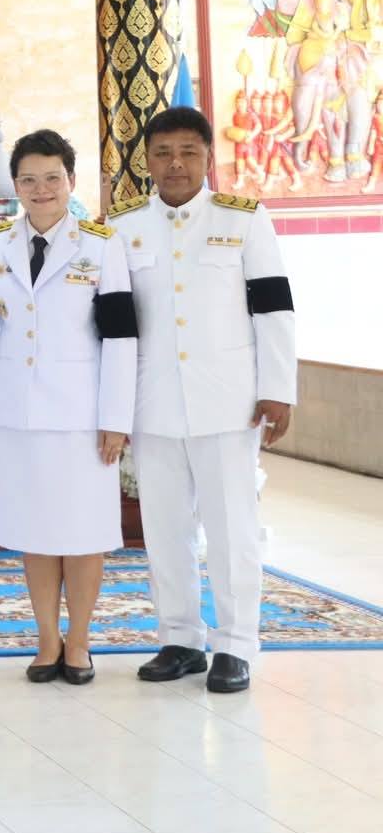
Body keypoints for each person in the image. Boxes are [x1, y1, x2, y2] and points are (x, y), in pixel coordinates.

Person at [119, 107, 297, 694]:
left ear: (206, 158)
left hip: (228, 401)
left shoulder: (244, 220)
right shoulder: (125, 227)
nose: (175, 164)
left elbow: (273, 308)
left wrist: (278, 387)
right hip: (154, 402)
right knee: (164, 527)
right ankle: (180, 638)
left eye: (188, 152)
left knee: (230, 528)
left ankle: (237, 644)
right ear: (147, 160)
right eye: (164, 153)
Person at [0, 129, 138, 685]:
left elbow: (120, 336)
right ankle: (47, 640)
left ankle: (81, 641)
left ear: (71, 181)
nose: (40, 189)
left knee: (85, 530)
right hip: (18, 413)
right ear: (15, 186)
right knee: (35, 528)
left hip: (82, 416)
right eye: (28, 179)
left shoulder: (101, 245)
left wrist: (116, 416)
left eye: (52, 178)